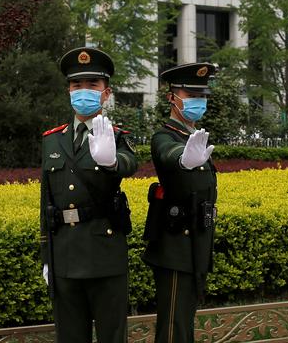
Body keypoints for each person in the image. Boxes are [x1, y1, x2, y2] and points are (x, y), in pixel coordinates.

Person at [39, 47, 138, 343]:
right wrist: (47, 257)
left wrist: (111, 162)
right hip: (65, 256)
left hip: (104, 255)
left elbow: (130, 164)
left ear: (106, 93)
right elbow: (46, 202)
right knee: (69, 337)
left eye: (92, 85)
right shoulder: (52, 139)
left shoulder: (117, 136)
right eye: (76, 85)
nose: (83, 91)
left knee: (111, 336)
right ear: (68, 91)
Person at [143, 62, 219, 343]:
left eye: (201, 96)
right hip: (175, 246)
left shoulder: (194, 136)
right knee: (173, 326)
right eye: (189, 95)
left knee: (185, 320)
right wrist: (183, 159)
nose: (197, 101)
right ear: (171, 97)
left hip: (195, 243)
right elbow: (167, 153)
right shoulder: (166, 136)